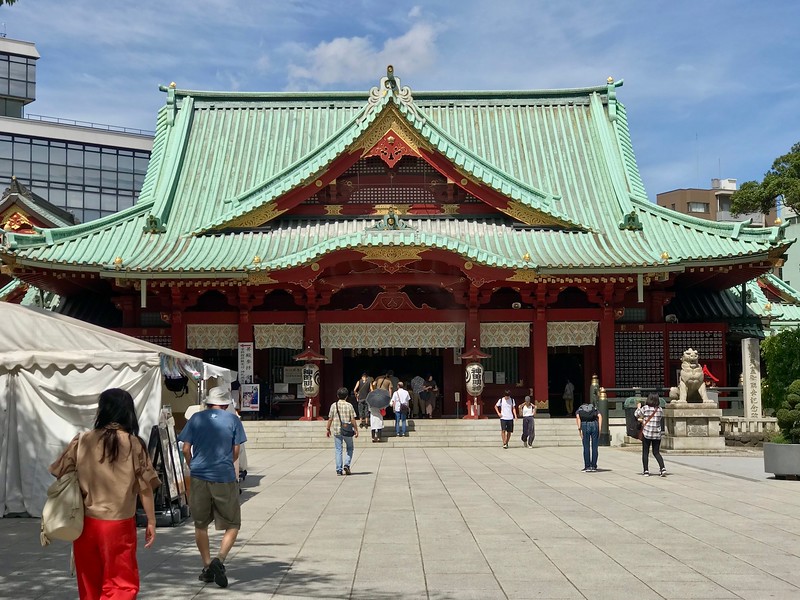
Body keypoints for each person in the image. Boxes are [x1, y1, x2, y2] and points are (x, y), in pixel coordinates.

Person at [49, 388, 160, 600]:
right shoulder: (134, 444)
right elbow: (145, 487)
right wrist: (152, 521)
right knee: (121, 583)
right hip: (119, 524)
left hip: (86, 524)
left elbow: (60, 472)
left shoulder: (82, 440)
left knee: (89, 582)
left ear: (102, 411)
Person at [179, 386, 247, 588]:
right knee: (233, 523)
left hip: (199, 475)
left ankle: (207, 565)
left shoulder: (196, 419)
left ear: (208, 403)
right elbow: (236, 451)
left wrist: (193, 464)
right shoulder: (233, 420)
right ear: (225, 404)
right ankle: (220, 560)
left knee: (200, 524)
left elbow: (185, 448)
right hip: (224, 476)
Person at [326, 387, 359, 474]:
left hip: (337, 430)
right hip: (347, 430)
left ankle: (339, 469)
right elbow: (353, 419)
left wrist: (328, 429)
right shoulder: (349, 405)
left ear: (337, 396)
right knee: (350, 448)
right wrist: (356, 429)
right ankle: (347, 464)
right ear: (347, 396)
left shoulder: (334, 405)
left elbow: (330, 418)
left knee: (338, 449)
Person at [635, 393, 667, 477]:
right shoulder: (659, 409)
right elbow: (659, 419)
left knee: (645, 452)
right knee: (656, 452)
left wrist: (638, 407)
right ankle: (662, 468)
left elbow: (637, 414)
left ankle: (646, 470)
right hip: (657, 434)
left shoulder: (645, 408)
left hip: (647, 433)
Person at [575, 397, 602, 472]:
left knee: (586, 446)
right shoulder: (594, 409)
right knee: (594, 447)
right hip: (595, 424)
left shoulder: (579, 410)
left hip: (585, 425)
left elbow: (578, 418)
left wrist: (579, 430)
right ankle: (593, 466)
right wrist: (599, 428)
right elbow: (600, 416)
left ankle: (587, 466)